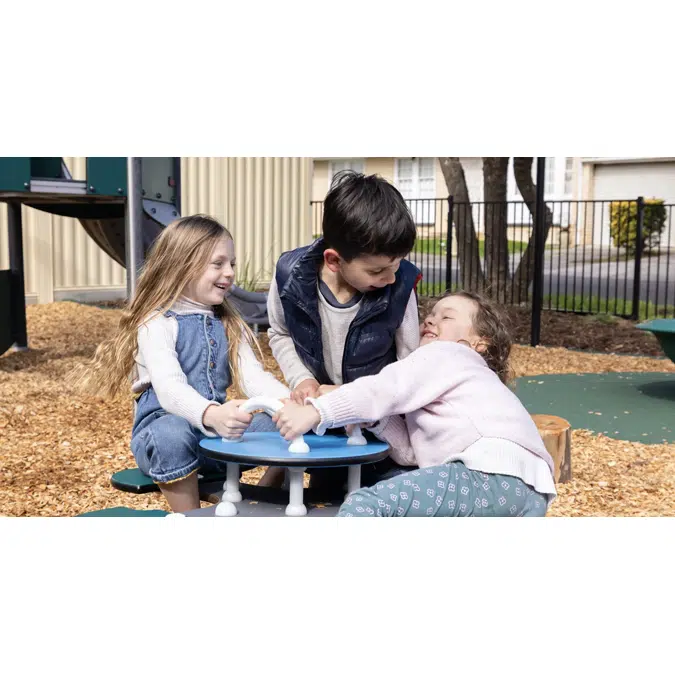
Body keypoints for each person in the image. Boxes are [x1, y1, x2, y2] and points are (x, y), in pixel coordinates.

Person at [272, 290, 557, 517]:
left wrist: (317, 412)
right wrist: (370, 418)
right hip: (530, 494)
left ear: (479, 342)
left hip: (489, 474)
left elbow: (383, 389)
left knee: (365, 506)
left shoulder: (449, 353)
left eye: (446, 317)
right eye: (430, 314)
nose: (430, 320)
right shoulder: (467, 384)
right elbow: (411, 452)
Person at [75, 215, 290, 513]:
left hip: (214, 439)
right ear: (182, 265)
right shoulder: (156, 322)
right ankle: (191, 518)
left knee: (282, 421)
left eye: (232, 264)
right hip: (164, 437)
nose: (229, 273)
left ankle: (260, 499)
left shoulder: (228, 322)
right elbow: (170, 388)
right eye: (218, 264)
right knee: (172, 432)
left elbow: (254, 379)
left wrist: (291, 404)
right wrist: (213, 414)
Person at [261, 170, 422, 490]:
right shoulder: (289, 277)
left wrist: (363, 403)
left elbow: (411, 367)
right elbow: (279, 333)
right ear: (334, 261)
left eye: (397, 265)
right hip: (323, 425)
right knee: (323, 496)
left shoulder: (400, 288)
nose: (391, 278)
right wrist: (301, 378)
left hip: (379, 430)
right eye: (377, 270)